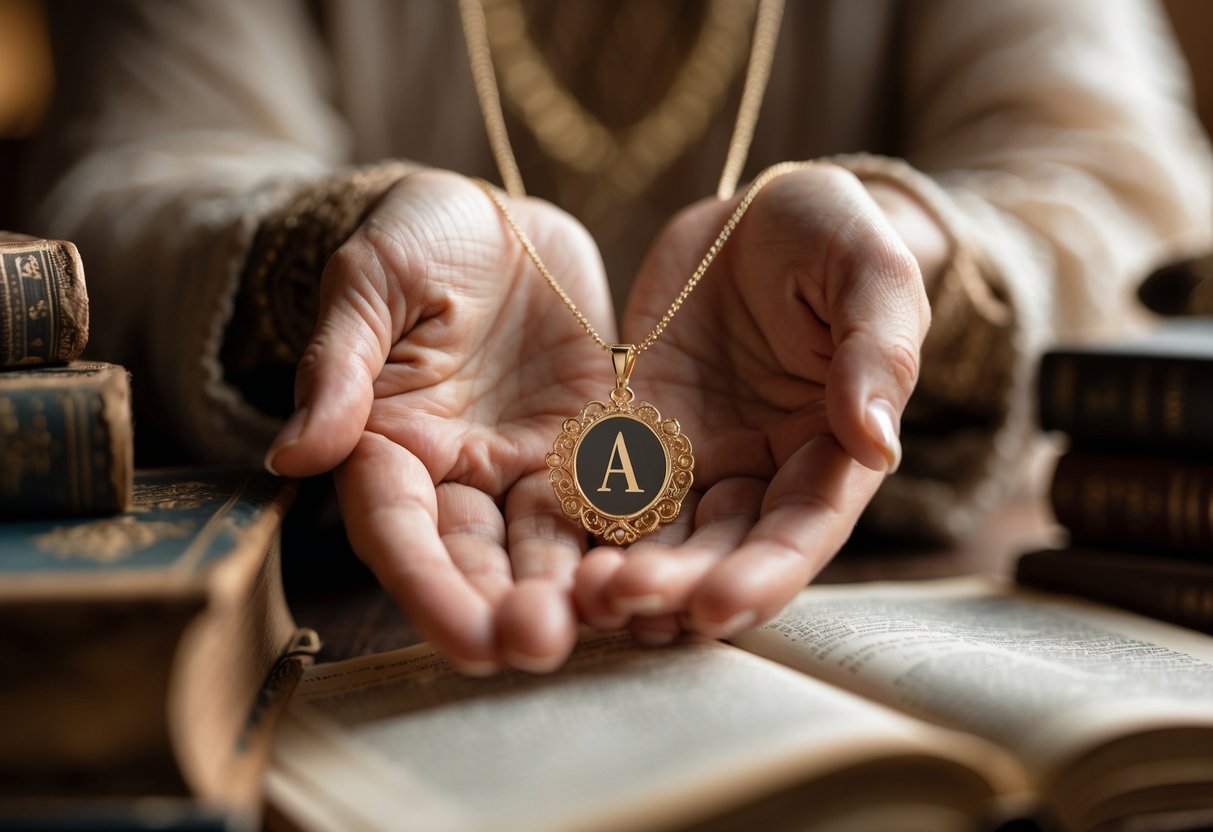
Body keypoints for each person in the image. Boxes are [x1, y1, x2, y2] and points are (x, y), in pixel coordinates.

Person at [23, 0, 1212, 674]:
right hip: (345, 612)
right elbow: (114, 185)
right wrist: (325, 250)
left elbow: (1139, 203)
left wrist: (909, 261)